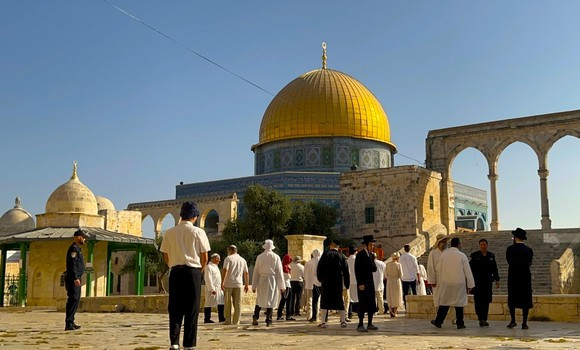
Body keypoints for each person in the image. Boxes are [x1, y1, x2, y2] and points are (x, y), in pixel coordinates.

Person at [160, 201, 210, 350]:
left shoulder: (170, 232)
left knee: (175, 308)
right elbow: (205, 256)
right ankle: (189, 344)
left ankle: (174, 343)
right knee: (192, 309)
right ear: (195, 216)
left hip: (175, 272)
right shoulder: (198, 232)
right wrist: (199, 270)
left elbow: (165, 255)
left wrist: (172, 266)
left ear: (181, 215)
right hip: (193, 271)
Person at [430, 237, 475, 329]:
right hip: (459, 282)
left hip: (447, 282)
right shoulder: (461, 255)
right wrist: (470, 284)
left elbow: (438, 268)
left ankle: (438, 321)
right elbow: (467, 271)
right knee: (459, 303)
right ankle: (460, 323)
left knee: (444, 302)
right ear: (458, 244)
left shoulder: (444, 255)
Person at [316, 240, 350, 328]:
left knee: (324, 300)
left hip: (326, 281)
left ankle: (323, 322)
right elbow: (346, 270)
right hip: (337, 281)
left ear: (331, 246)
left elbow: (319, 267)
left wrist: (320, 278)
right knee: (339, 300)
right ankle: (343, 321)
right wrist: (347, 283)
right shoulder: (341, 256)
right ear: (338, 247)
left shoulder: (325, 255)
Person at [252, 239, 285, 327]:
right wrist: (282, 286)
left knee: (260, 298)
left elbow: (256, 271)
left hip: (262, 280)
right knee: (271, 299)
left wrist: (254, 285)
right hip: (272, 280)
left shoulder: (259, 257)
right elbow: (279, 271)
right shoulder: (276, 257)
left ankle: (255, 316)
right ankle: (268, 320)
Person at [506, 228, 533, 330]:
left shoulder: (510, 249)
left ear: (515, 237)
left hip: (513, 277)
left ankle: (513, 320)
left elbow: (509, 261)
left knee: (512, 300)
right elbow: (530, 263)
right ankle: (524, 323)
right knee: (525, 301)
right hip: (525, 278)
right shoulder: (529, 250)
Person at [469, 239, 500, 327]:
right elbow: (470, 268)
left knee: (486, 301)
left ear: (487, 245)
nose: (483, 246)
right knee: (478, 301)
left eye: (484, 244)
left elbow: (495, 268)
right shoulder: (475, 256)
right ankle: (480, 318)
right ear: (479, 245)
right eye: (481, 245)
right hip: (478, 282)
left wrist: (497, 279)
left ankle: (484, 319)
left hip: (487, 282)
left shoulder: (491, 255)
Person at [64, 229, 89, 331]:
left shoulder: (78, 249)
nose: (84, 239)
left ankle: (71, 321)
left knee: (76, 300)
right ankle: (68, 323)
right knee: (73, 299)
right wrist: (75, 278)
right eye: (83, 237)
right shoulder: (73, 249)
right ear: (79, 237)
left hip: (77, 278)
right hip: (73, 279)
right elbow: (73, 265)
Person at [221, 245, 249, 325]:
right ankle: (236, 321)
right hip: (239, 283)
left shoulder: (228, 259)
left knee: (227, 303)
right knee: (238, 303)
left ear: (230, 250)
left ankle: (228, 320)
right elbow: (246, 273)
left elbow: (225, 270)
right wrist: (246, 284)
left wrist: (222, 282)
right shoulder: (242, 260)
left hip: (228, 283)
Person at [355, 235, 378, 332]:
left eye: (373, 245)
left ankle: (370, 323)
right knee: (362, 303)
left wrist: (372, 260)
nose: (372, 246)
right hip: (363, 283)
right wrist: (360, 283)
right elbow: (357, 270)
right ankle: (360, 324)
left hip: (370, 282)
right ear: (366, 245)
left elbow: (374, 268)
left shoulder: (371, 255)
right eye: (371, 244)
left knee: (371, 303)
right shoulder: (360, 255)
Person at [427, 234, 449, 309]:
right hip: (438, 279)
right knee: (438, 298)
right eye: (443, 242)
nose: (444, 244)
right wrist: (432, 280)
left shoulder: (448, 252)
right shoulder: (433, 253)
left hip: (447, 278)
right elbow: (430, 267)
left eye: (445, 242)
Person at [203, 253, 225, 323]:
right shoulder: (208, 267)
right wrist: (212, 289)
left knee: (221, 302)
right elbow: (208, 278)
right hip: (212, 288)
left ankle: (221, 317)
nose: (219, 260)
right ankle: (207, 318)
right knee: (208, 303)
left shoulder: (216, 267)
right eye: (218, 258)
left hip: (218, 287)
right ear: (214, 258)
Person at [304, 249, 322, 322]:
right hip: (317, 283)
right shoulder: (320, 262)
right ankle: (317, 315)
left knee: (309, 300)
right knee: (317, 300)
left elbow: (304, 274)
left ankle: (309, 315)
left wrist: (307, 280)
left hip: (309, 283)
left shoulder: (308, 263)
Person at [385, 252, 404, 317]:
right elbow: (401, 275)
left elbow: (386, 274)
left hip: (389, 281)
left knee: (390, 295)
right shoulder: (398, 265)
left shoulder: (387, 264)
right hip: (396, 280)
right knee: (396, 296)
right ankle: (395, 311)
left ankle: (390, 309)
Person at [277, 254, 294, 321]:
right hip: (285, 286)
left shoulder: (285, 266)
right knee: (284, 301)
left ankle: (287, 315)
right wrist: (290, 271)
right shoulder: (284, 267)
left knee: (287, 301)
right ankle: (281, 315)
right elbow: (288, 277)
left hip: (287, 285)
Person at [346, 245, 358, 320]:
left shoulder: (347, 260)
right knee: (357, 296)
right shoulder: (357, 260)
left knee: (349, 297)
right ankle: (358, 311)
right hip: (356, 280)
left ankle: (350, 313)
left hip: (349, 280)